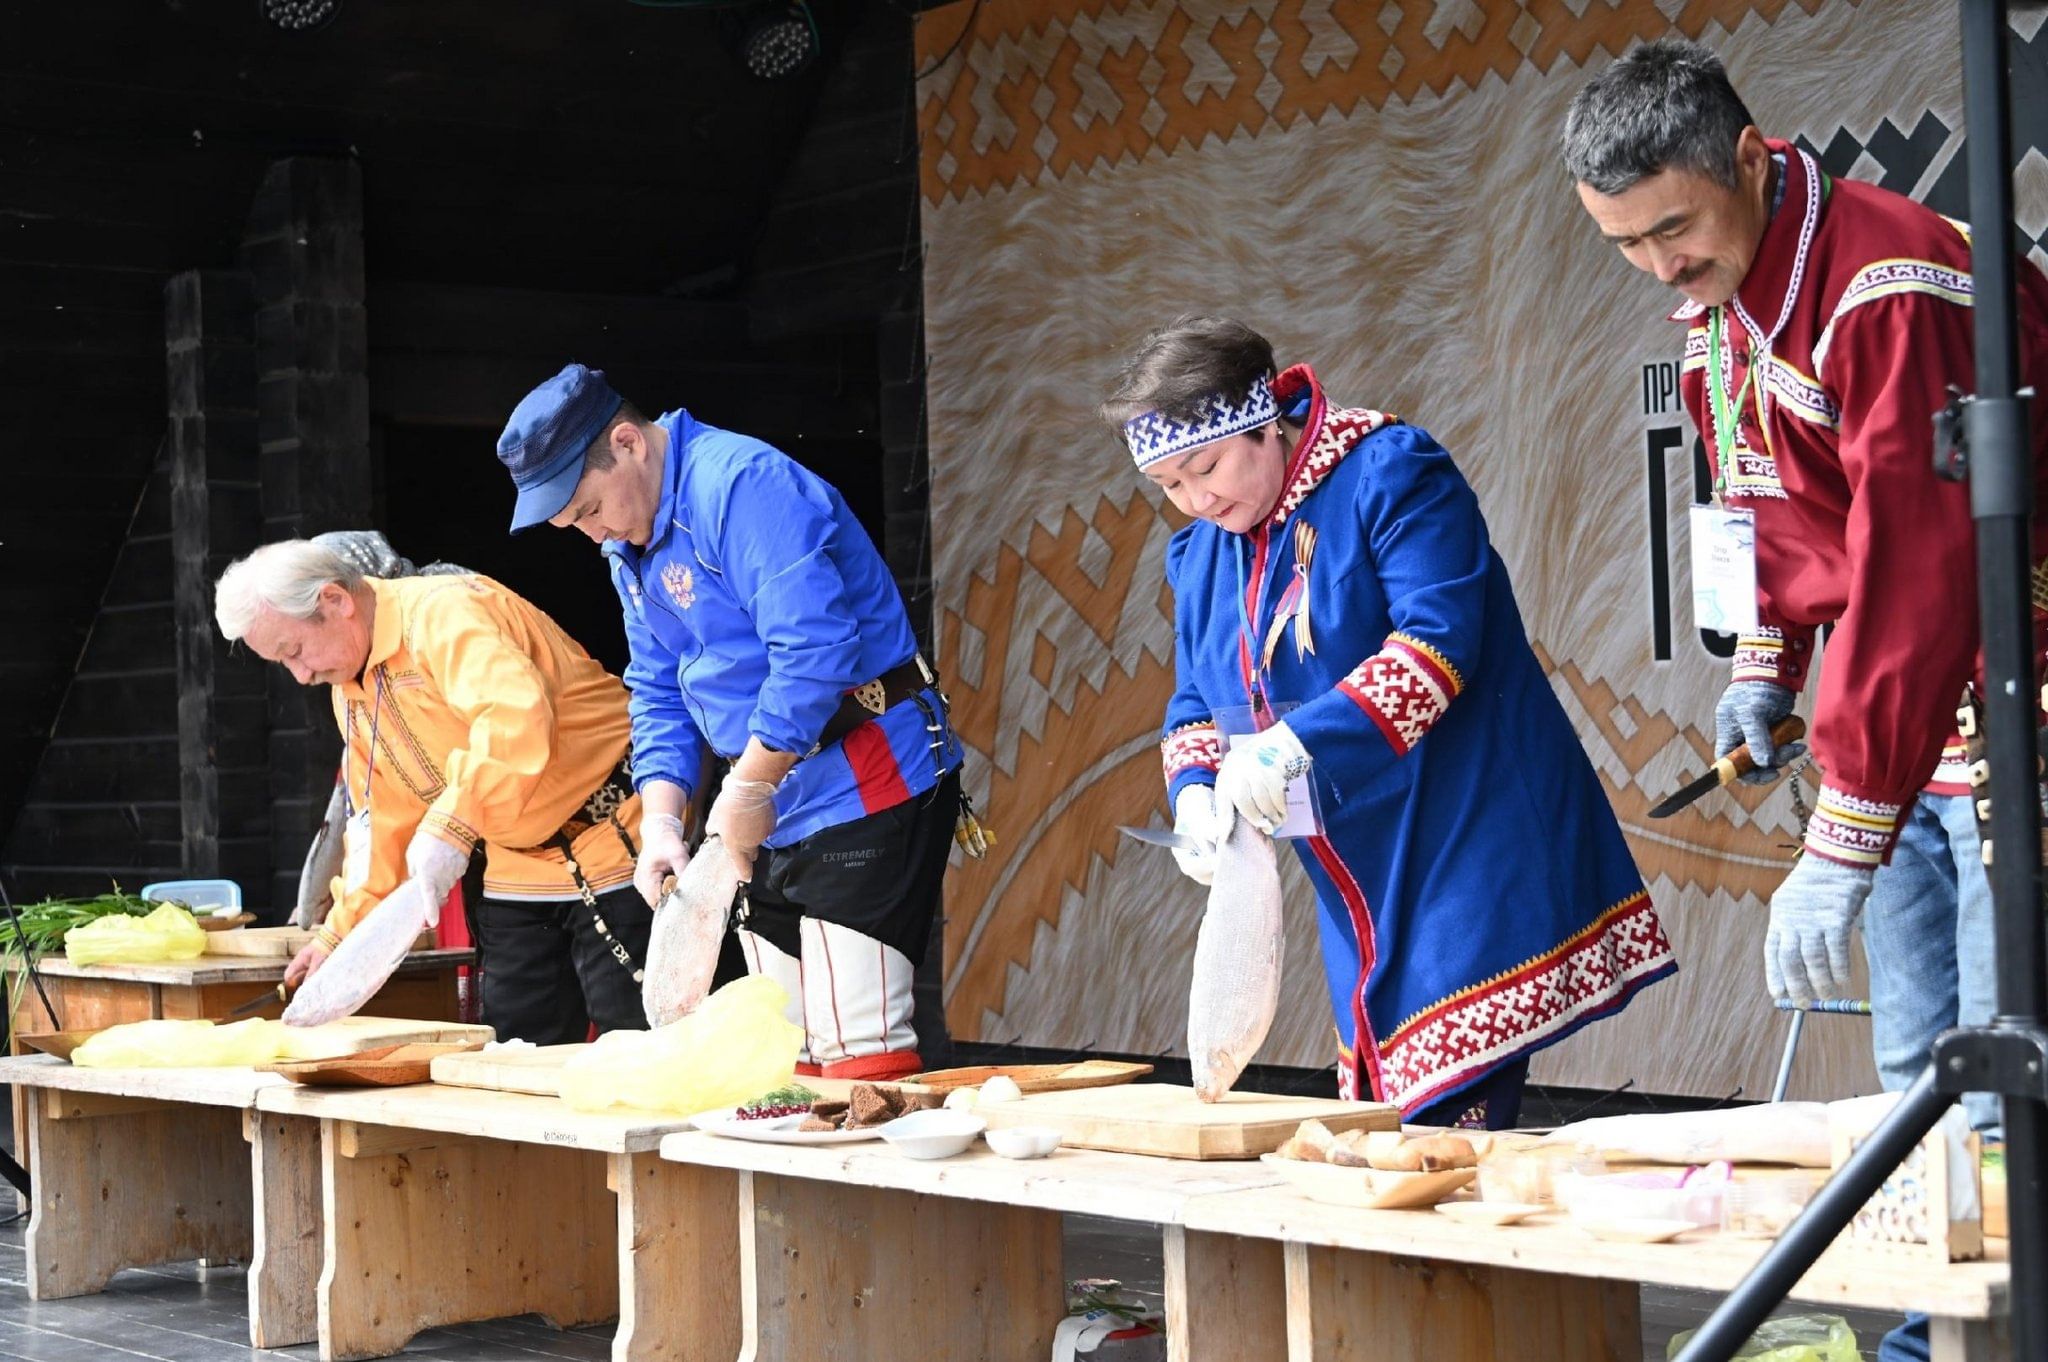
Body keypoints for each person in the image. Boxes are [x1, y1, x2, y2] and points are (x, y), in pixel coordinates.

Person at [1564, 40, 2048, 1359]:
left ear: (1749, 157)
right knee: (1915, 1081)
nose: (1660, 263)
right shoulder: (1723, 312)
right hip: (1893, 736)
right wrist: (1759, 677)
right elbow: (1753, 512)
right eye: (1626, 243)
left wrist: (1842, 834)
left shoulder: (1888, 280)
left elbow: (1921, 563)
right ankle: (1933, 1326)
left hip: (2014, 706)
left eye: (1673, 225)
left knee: (2012, 1081)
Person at [1106, 316, 1677, 1127]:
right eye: (1169, 485)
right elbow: (1198, 700)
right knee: (1388, 1114)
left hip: (1464, 828)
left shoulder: (1388, 472)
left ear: (1263, 421)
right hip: (1357, 863)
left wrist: (1294, 746)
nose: (1196, 500)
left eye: (1206, 468)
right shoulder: (1201, 554)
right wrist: (1194, 790)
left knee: (1440, 1121)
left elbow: (1438, 644)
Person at [495, 363, 967, 1081]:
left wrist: (744, 792)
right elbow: (655, 689)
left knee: (857, 1035)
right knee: (785, 1044)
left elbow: (815, 650)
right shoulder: (629, 546)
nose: (591, 534)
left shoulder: (741, 484)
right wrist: (661, 821)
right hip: (765, 805)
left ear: (628, 443)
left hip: (863, 773)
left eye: (587, 509)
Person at [214, 539, 655, 1044]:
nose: (301, 675)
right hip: (513, 864)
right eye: (282, 663)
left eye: (294, 651)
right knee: (517, 1045)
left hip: (615, 834)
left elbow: (513, 715)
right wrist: (339, 935)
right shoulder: (351, 695)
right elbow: (382, 824)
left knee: (637, 1040)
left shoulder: (442, 612)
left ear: (336, 601)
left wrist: (453, 822)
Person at [292, 530, 469, 931]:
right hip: (414, 869)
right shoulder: (358, 694)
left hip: (469, 847)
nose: (303, 673)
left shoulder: (440, 621)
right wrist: (331, 918)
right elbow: (359, 814)